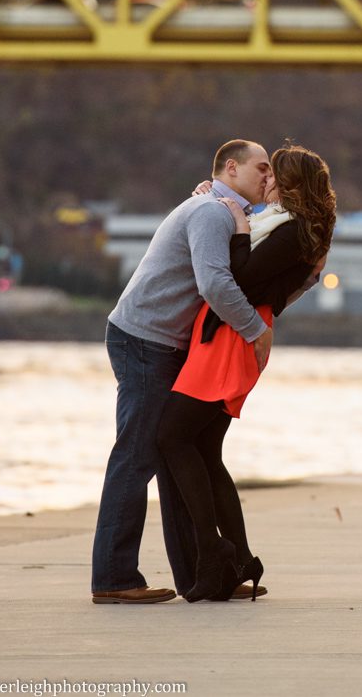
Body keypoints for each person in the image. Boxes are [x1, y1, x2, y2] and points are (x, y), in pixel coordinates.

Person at [90, 139, 274, 605]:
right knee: (136, 456)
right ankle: (113, 578)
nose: (268, 177)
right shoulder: (211, 212)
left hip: (165, 344)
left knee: (176, 454)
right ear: (230, 169)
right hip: (145, 340)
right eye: (261, 168)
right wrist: (254, 330)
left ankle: (203, 576)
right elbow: (215, 282)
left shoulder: (220, 210)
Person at [156, 143, 336, 602]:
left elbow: (242, 276)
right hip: (225, 335)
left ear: (292, 184)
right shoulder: (282, 224)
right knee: (205, 449)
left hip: (236, 338)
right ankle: (238, 560)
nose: (267, 181)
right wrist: (218, 204)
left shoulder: (295, 231)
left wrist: (235, 225)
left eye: (275, 175)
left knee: (171, 437)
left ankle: (217, 555)